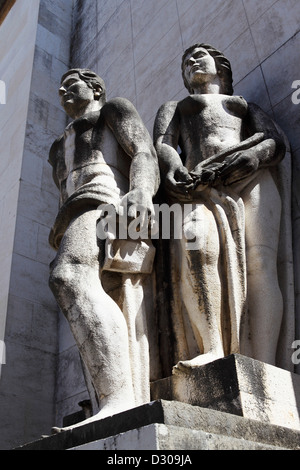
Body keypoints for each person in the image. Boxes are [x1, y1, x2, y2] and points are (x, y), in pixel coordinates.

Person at [154, 44, 286, 370]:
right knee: (196, 245)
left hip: (249, 176)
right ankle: (212, 346)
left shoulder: (243, 106)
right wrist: (172, 168)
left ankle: (265, 363)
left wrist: (252, 157)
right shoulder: (177, 107)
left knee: (260, 262)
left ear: (221, 67)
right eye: (185, 62)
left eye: (199, 56)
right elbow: (163, 144)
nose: (192, 62)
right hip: (199, 184)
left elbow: (274, 141)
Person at [48, 69, 159, 428]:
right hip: (71, 217)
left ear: (95, 88)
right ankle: (110, 400)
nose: (64, 90)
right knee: (81, 289)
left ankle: (119, 400)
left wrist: (141, 191)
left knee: (67, 276)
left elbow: (142, 150)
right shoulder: (56, 147)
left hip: (104, 203)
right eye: (60, 87)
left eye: (71, 83)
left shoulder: (113, 109)